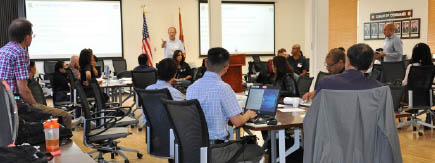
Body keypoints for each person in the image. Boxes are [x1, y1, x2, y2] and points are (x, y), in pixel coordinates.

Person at [186, 47, 263, 163]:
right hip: (216, 151)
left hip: (193, 149)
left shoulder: (191, 88)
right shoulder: (223, 88)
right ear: (226, 67)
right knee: (257, 150)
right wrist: (248, 114)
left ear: (206, 62)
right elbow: (237, 121)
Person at [0, 19, 73, 128]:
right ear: (27, 37)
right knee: (65, 115)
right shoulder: (20, 53)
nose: (32, 37)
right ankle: (61, 143)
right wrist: (36, 105)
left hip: (4, 104)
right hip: (16, 104)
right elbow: (23, 90)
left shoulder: (3, 50)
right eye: (32, 34)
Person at [314, 43, 382, 96]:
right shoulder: (380, 89)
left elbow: (316, 111)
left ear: (347, 60)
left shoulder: (326, 83)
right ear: (371, 64)